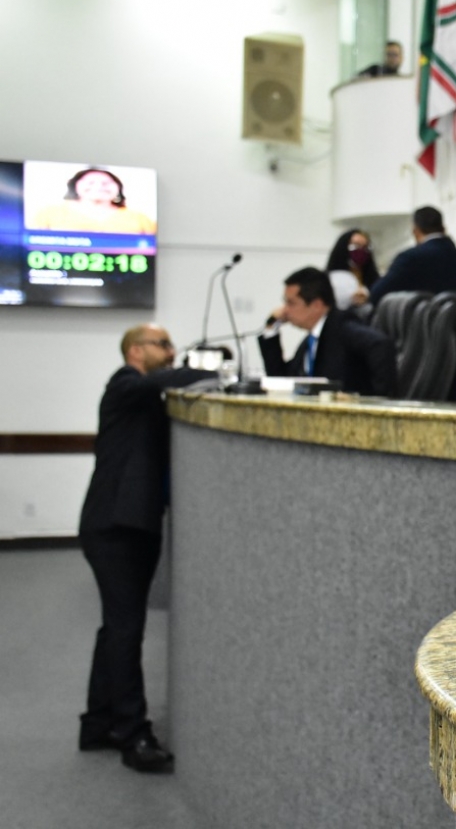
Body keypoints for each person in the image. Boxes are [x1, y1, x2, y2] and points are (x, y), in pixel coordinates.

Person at [77, 325, 212, 773]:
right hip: (115, 527)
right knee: (125, 629)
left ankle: (99, 723)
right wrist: (207, 373)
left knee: (116, 627)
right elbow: (169, 379)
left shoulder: (140, 392)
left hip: (127, 525)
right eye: (163, 345)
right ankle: (133, 734)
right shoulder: (124, 384)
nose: (171, 352)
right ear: (135, 351)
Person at [369, 206, 456, 400]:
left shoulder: (410, 258)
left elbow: (377, 294)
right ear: (443, 227)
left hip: (418, 351)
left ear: (415, 230)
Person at [260, 266, 398, 397]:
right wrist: (271, 329)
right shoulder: (312, 340)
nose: (284, 311)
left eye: (291, 303)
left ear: (316, 305)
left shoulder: (343, 328)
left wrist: (372, 400)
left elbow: (380, 345)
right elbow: (283, 380)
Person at [31, 167, 157, 235]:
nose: (98, 187)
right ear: (75, 186)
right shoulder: (49, 213)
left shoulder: (139, 218)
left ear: (118, 188)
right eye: (90, 182)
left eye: (106, 183)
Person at [325, 228, 380, 309]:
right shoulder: (330, 279)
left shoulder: (375, 281)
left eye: (365, 247)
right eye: (356, 245)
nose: (361, 250)